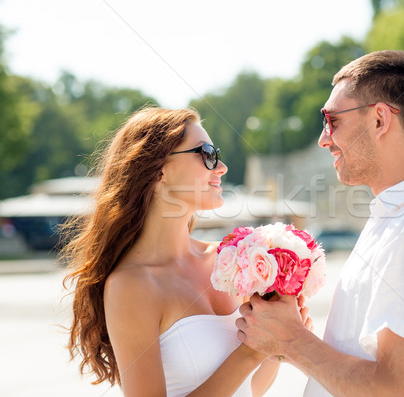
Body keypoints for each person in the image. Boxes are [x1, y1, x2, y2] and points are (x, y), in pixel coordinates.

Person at [235, 50, 404, 396]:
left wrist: (293, 340)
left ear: (380, 120)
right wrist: (288, 338)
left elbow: (397, 389)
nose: (324, 138)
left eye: (332, 120)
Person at [62, 107, 285, 397]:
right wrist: (251, 353)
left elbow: (251, 388)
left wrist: (277, 344)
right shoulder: (131, 285)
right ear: (159, 169)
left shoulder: (230, 260)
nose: (221, 167)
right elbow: (245, 361)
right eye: (206, 154)